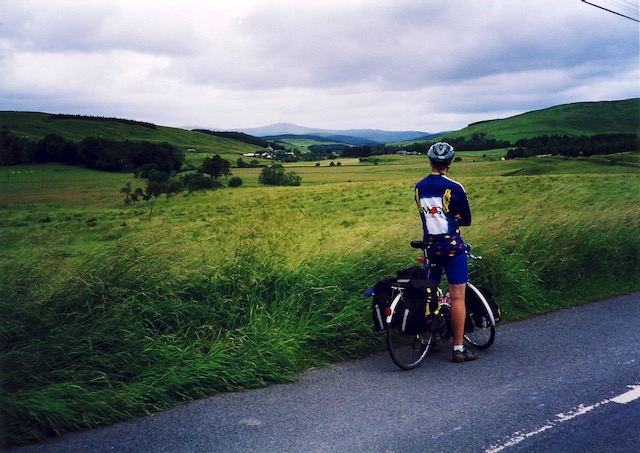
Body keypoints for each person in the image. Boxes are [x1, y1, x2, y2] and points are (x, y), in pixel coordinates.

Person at [414, 142, 478, 363]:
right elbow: (467, 219)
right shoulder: (455, 187)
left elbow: (424, 216)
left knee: (428, 295)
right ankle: (459, 348)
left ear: (430, 161)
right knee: (458, 296)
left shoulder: (419, 186)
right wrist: (456, 217)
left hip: (430, 248)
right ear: (449, 162)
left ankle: (425, 341)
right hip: (452, 247)